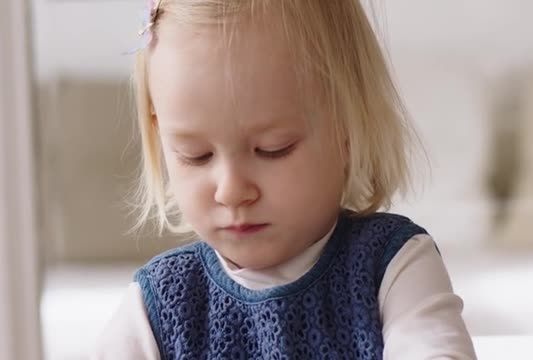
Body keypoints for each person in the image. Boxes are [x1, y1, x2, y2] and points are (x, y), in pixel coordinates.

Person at [92, 0, 476, 358]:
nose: (232, 191)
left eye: (272, 148)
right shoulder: (159, 301)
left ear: (346, 126)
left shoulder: (392, 265)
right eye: (196, 155)